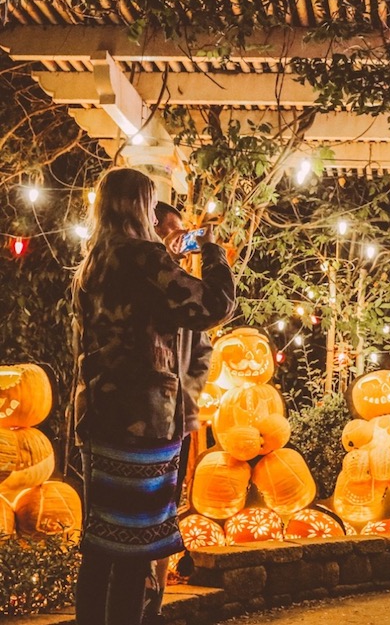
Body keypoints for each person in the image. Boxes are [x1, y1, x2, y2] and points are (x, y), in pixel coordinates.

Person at [71, 168, 235, 625]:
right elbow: (213, 306)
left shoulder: (93, 263)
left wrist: (169, 259)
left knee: (100, 544)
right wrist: (212, 252)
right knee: (135, 547)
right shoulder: (144, 258)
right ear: (140, 206)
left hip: (97, 415)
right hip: (142, 419)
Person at [141, 201, 216, 623]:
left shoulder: (182, 287)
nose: (180, 241)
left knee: (165, 514)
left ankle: (154, 602)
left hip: (176, 420)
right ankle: (136, 601)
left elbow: (202, 351)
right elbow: (220, 301)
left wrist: (187, 397)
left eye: (182, 233)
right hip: (142, 419)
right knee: (138, 518)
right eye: (171, 231)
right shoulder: (140, 276)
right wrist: (214, 252)